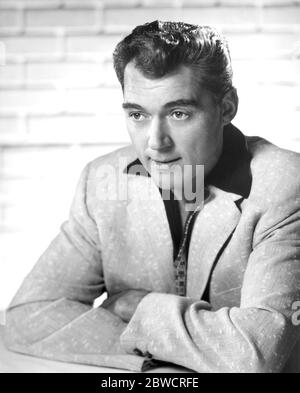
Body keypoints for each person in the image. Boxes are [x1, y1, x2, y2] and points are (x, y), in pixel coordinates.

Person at [4, 21, 300, 373]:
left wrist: (138, 307)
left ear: (227, 107)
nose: (155, 143)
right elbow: (29, 314)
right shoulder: (102, 180)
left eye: (178, 113)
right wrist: (170, 355)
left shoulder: (285, 183)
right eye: (138, 114)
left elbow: (257, 353)